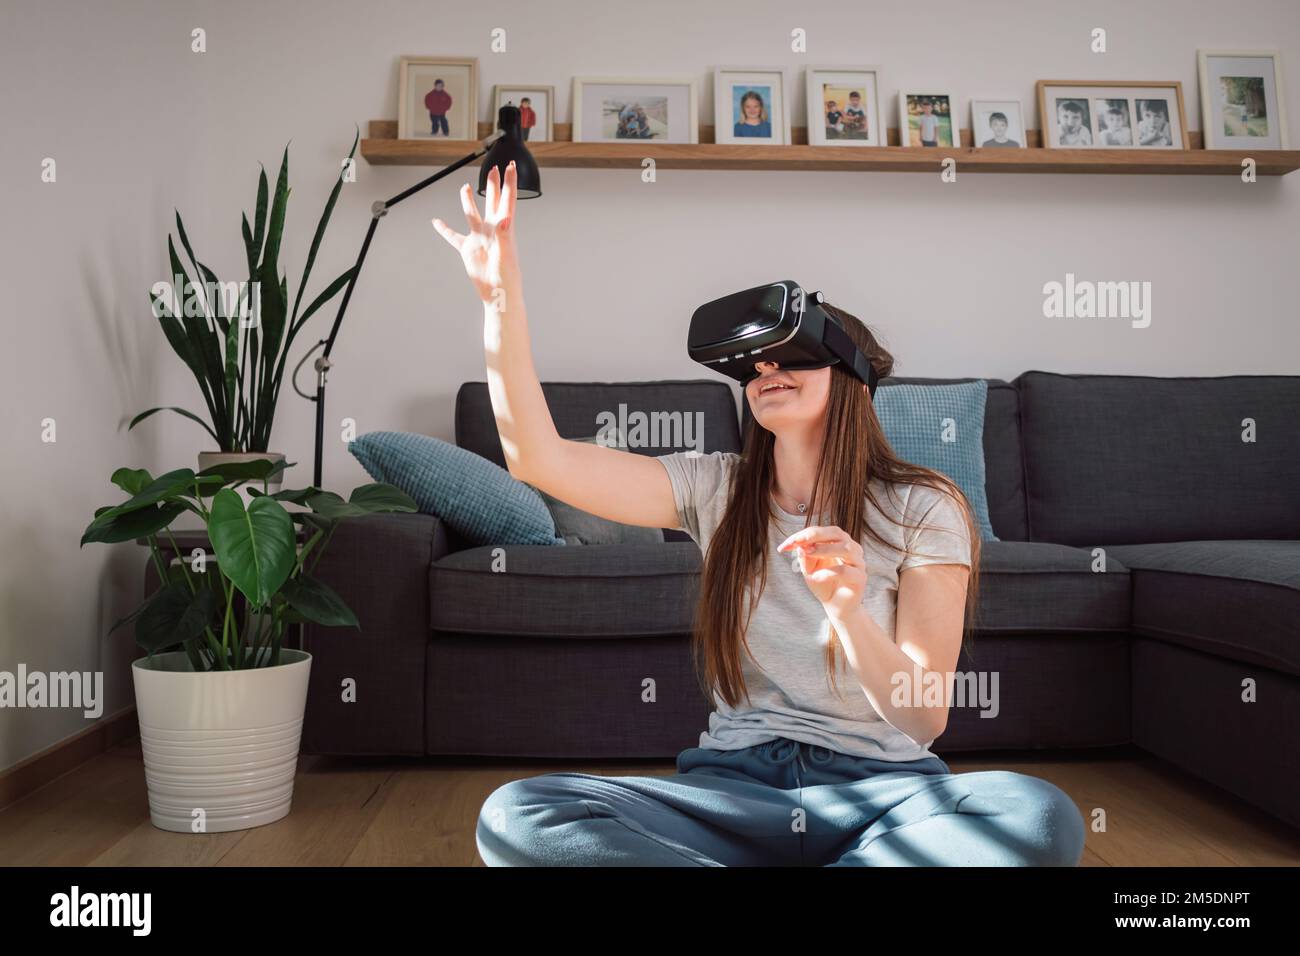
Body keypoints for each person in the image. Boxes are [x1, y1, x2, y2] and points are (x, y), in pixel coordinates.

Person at [432, 162, 1088, 867]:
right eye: (752, 362)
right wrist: (502, 300)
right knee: (520, 814)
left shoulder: (922, 505)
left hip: (885, 797)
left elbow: (924, 716)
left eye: (794, 353)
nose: (766, 369)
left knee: (1037, 814)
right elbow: (539, 460)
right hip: (734, 796)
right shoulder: (712, 488)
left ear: (854, 377)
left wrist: (848, 613)